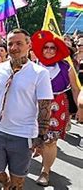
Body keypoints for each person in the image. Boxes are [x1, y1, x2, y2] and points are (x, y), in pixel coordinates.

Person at [0, 29, 53, 190]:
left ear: (29, 45)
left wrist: (41, 136)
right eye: (10, 43)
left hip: (23, 134)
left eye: (19, 43)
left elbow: (45, 106)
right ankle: (5, 183)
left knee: (18, 182)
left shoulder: (40, 73)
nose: (13, 47)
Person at [30, 31, 80, 186]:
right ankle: (37, 149)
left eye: (53, 47)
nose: (49, 50)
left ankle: (45, 171)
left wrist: (79, 109)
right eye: (46, 47)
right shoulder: (32, 65)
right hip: (33, 106)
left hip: (57, 107)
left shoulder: (66, 68)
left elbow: (74, 89)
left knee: (51, 141)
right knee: (31, 137)